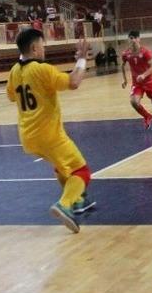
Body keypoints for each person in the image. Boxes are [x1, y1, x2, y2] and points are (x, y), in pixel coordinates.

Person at [6, 30, 95, 233]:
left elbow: (11, 96)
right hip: (49, 134)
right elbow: (73, 82)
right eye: (42, 45)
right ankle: (65, 204)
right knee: (82, 171)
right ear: (34, 48)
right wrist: (81, 60)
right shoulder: (41, 69)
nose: (43, 49)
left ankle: (77, 199)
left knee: (60, 166)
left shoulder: (14, 71)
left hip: (28, 138)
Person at [121, 31, 152, 131]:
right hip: (137, 84)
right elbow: (122, 65)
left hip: (149, 82)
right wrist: (125, 80)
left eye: (134, 37)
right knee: (134, 102)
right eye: (130, 38)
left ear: (139, 39)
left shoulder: (145, 52)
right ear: (128, 40)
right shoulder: (126, 53)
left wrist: (143, 75)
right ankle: (147, 116)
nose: (132, 40)